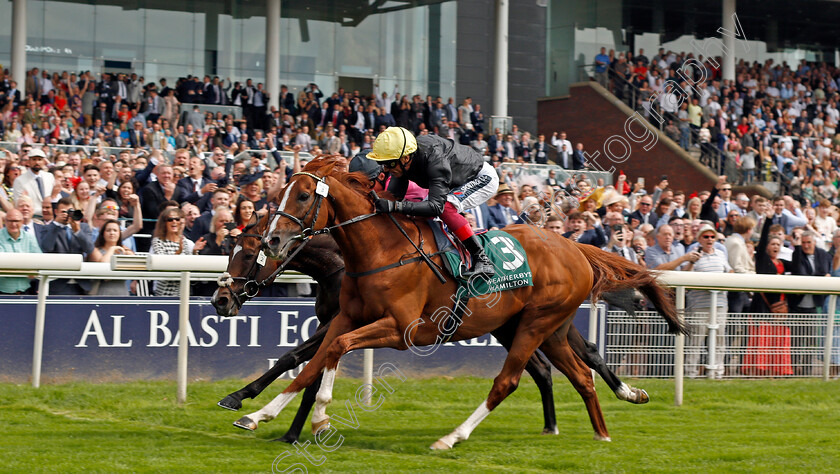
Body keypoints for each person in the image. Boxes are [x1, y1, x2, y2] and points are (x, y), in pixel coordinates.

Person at [366, 126, 499, 277]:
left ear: (405, 158)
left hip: (481, 177)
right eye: (382, 164)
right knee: (417, 213)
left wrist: (395, 206)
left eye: (389, 163)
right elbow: (392, 197)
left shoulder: (434, 159)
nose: (385, 169)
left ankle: (483, 259)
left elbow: (436, 207)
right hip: (454, 181)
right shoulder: (402, 161)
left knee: (446, 208)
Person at [743, 212, 794, 376]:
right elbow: (763, 238)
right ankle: (757, 370)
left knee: (778, 339)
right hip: (763, 307)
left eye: (778, 244)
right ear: (766, 246)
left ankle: (777, 369)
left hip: (780, 310)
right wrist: (769, 220)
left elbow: (799, 265)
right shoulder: (763, 261)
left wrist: (797, 244)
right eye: (772, 244)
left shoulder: (784, 263)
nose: (775, 247)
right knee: (761, 340)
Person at [684, 224, 733, 379]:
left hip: (720, 304)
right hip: (699, 306)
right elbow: (685, 277)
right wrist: (691, 262)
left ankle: (717, 374)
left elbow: (730, 271)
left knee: (719, 341)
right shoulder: (693, 255)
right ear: (699, 239)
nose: (710, 239)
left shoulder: (720, 254)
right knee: (695, 342)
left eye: (712, 236)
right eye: (706, 237)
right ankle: (690, 374)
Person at [789, 230, 831, 374]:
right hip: (797, 305)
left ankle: (807, 371)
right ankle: (793, 370)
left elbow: (826, 272)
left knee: (810, 341)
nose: (806, 246)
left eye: (808, 242)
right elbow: (801, 274)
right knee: (795, 341)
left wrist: (819, 276)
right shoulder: (797, 253)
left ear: (814, 242)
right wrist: (820, 276)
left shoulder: (823, 255)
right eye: (804, 243)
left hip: (814, 305)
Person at [150, 207, 204, 297]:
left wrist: (194, 251)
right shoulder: (158, 241)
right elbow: (162, 264)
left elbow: (190, 265)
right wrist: (178, 253)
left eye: (177, 219)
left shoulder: (185, 241)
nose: (174, 222)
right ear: (164, 223)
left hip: (183, 290)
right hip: (165, 291)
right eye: (170, 219)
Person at [0, 209, 42, 295]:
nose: (13, 224)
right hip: (2, 292)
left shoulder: (30, 238)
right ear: (5, 221)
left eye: (16, 221)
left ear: (22, 221)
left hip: (25, 291)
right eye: (10, 221)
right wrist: (27, 269)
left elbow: (39, 261)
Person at [87, 219, 134, 296]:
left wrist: (130, 254)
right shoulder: (95, 250)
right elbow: (104, 268)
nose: (112, 233)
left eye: (115, 230)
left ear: (119, 234)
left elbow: (134, 266)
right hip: (102, 292)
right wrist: (112, 249)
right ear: (103, 233)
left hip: (122, 292)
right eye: (108, 230)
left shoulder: (125, 249)